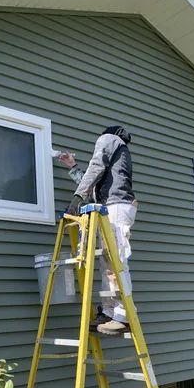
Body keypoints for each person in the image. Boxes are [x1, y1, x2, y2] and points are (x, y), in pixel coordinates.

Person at [58, 125, 137, 335]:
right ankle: (110, 313)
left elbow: (95, 167)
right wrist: (73, 167)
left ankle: (124, 315)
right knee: (107, 264)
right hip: (111, 206)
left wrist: (77, 197)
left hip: (116, 207)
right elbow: (95, 183)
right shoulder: (117, 154)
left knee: (116, 261)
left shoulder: (108, 139)